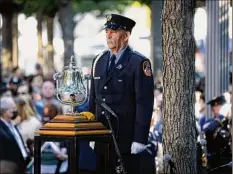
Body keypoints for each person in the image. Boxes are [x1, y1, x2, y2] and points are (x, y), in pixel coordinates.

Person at [88, 13, 154, 174]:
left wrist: (140, 139)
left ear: (126, 36)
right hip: (101, 137)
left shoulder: (139, 62)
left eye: (114, 31)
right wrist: (90, 131)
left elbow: (144, 103)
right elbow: (93, 99)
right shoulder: (99, 60)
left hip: (126, 140)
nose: (108, 35)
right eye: (107, 31)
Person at [0, 96, 30, 174]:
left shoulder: (13, 125)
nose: (15, 111)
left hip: (22, 166)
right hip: (8, 168)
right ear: (3, 111)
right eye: (12, 109)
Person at [202, 95, 232, 173]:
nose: (214, 109)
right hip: (216, 163)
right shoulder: (211, 123)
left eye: (218, 106)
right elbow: (206, 131)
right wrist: (221, 117)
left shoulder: (229, 123)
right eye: (214, 107)